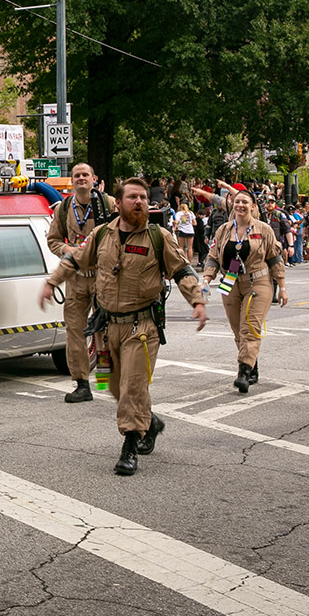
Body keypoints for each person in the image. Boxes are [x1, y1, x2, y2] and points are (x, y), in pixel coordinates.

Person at [40, 178, 207, 476]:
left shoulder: (160, 237)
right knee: (111, 385)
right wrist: (52, 282)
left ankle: (130, 446)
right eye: (132, 197)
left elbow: (181, 269)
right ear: (118, 203)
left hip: (141, 328)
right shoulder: (101, 234)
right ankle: (150, 422)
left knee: (133, 386)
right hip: (105, 329)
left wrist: (197, 300)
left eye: (143, 197)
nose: (140, 202)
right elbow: (76, 260)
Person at [44, 162, 117, 403]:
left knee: (105, 331)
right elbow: (53, 241)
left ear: (94, 178)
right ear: (72, 180)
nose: (81, 179)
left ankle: (107, 378)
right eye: (77, 175)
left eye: (85, 174)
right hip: (75, 279)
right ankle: (82, 383)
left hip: (103, 278)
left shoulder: (108, 203)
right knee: (74, 331)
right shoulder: (64, 208)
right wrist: (70, 251)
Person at [201, 191, 286, 392]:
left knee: (250, 327)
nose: (240, 205)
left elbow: (274, 258)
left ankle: (243, 374)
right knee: (238, 329)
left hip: (258, 282)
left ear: (253, 206)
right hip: (230, 282)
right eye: (237, 201)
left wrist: (282, 287)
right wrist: (206, 279)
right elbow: (213, 256)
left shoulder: (263, 229)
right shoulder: (223, 230)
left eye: (244, 202)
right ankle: (251, 365)